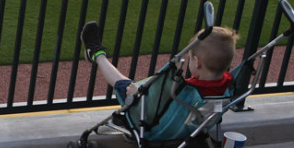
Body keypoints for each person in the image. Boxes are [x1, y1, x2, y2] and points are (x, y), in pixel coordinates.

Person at [80, 20, 237, 102]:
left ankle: (96, 54)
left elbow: (154, 102)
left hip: (155, 126)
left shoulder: (185, 91)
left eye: (189, 58)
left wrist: (136, 92)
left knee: (123, 83)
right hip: (191, 129)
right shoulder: (227, 85)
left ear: (197, 62)